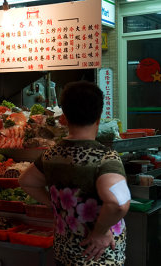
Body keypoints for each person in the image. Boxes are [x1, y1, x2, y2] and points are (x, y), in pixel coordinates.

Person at [19, 81, 130, 265]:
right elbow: (119, 203)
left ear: (64, 117)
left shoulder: (51, 155)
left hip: (65, 253)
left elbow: (26, 181)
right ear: (99, 116)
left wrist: (56, 206)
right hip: (98, 257)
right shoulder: (106, 157)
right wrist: (100, 231)